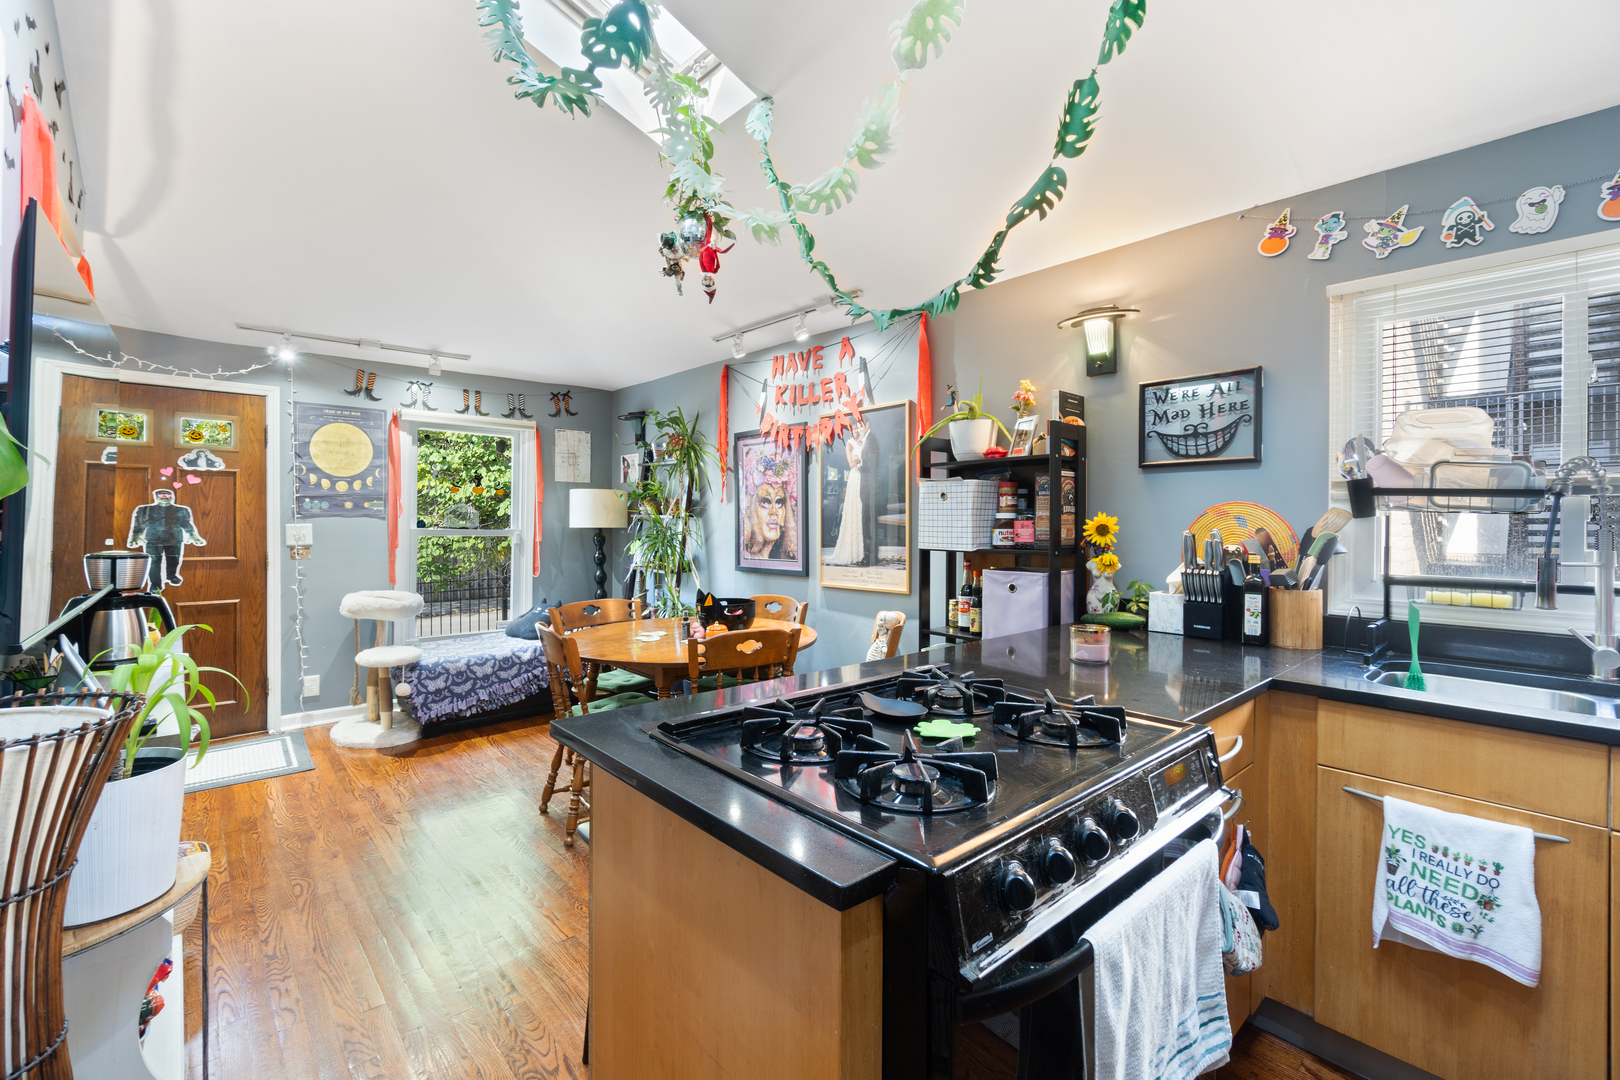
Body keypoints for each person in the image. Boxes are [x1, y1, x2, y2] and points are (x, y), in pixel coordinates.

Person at [127, 488, 207, 590]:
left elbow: (186, 523)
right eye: (161, 495)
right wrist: (136, 535)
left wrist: (192, 534)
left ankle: (171, 576)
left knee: (173, 559)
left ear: (172, 497)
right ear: (155, 497)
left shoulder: (181, 510)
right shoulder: (146, 510)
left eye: (168, 495)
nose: (164, 497)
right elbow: (139, 524)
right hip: (153, 539)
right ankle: (155, 584)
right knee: (154, 562)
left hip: (174, 539)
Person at [829, 420, 882, 566]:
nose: (856, 430)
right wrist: (858, 461)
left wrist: (862, 461)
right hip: (856, 477)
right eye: (853, 429)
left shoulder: (864, 441)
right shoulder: (850, 444)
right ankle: (855, 550)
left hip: (864, 478)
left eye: (857, 428)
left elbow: (872, 459)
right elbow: (850, 464)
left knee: (863, 515)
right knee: (855, 512)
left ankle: (864, 551)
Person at [742, 474, 798, 562]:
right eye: (766, 501)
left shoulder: (787, 558)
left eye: (779, 502)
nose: (774, 511)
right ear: (751, 510)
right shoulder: (746, 558)